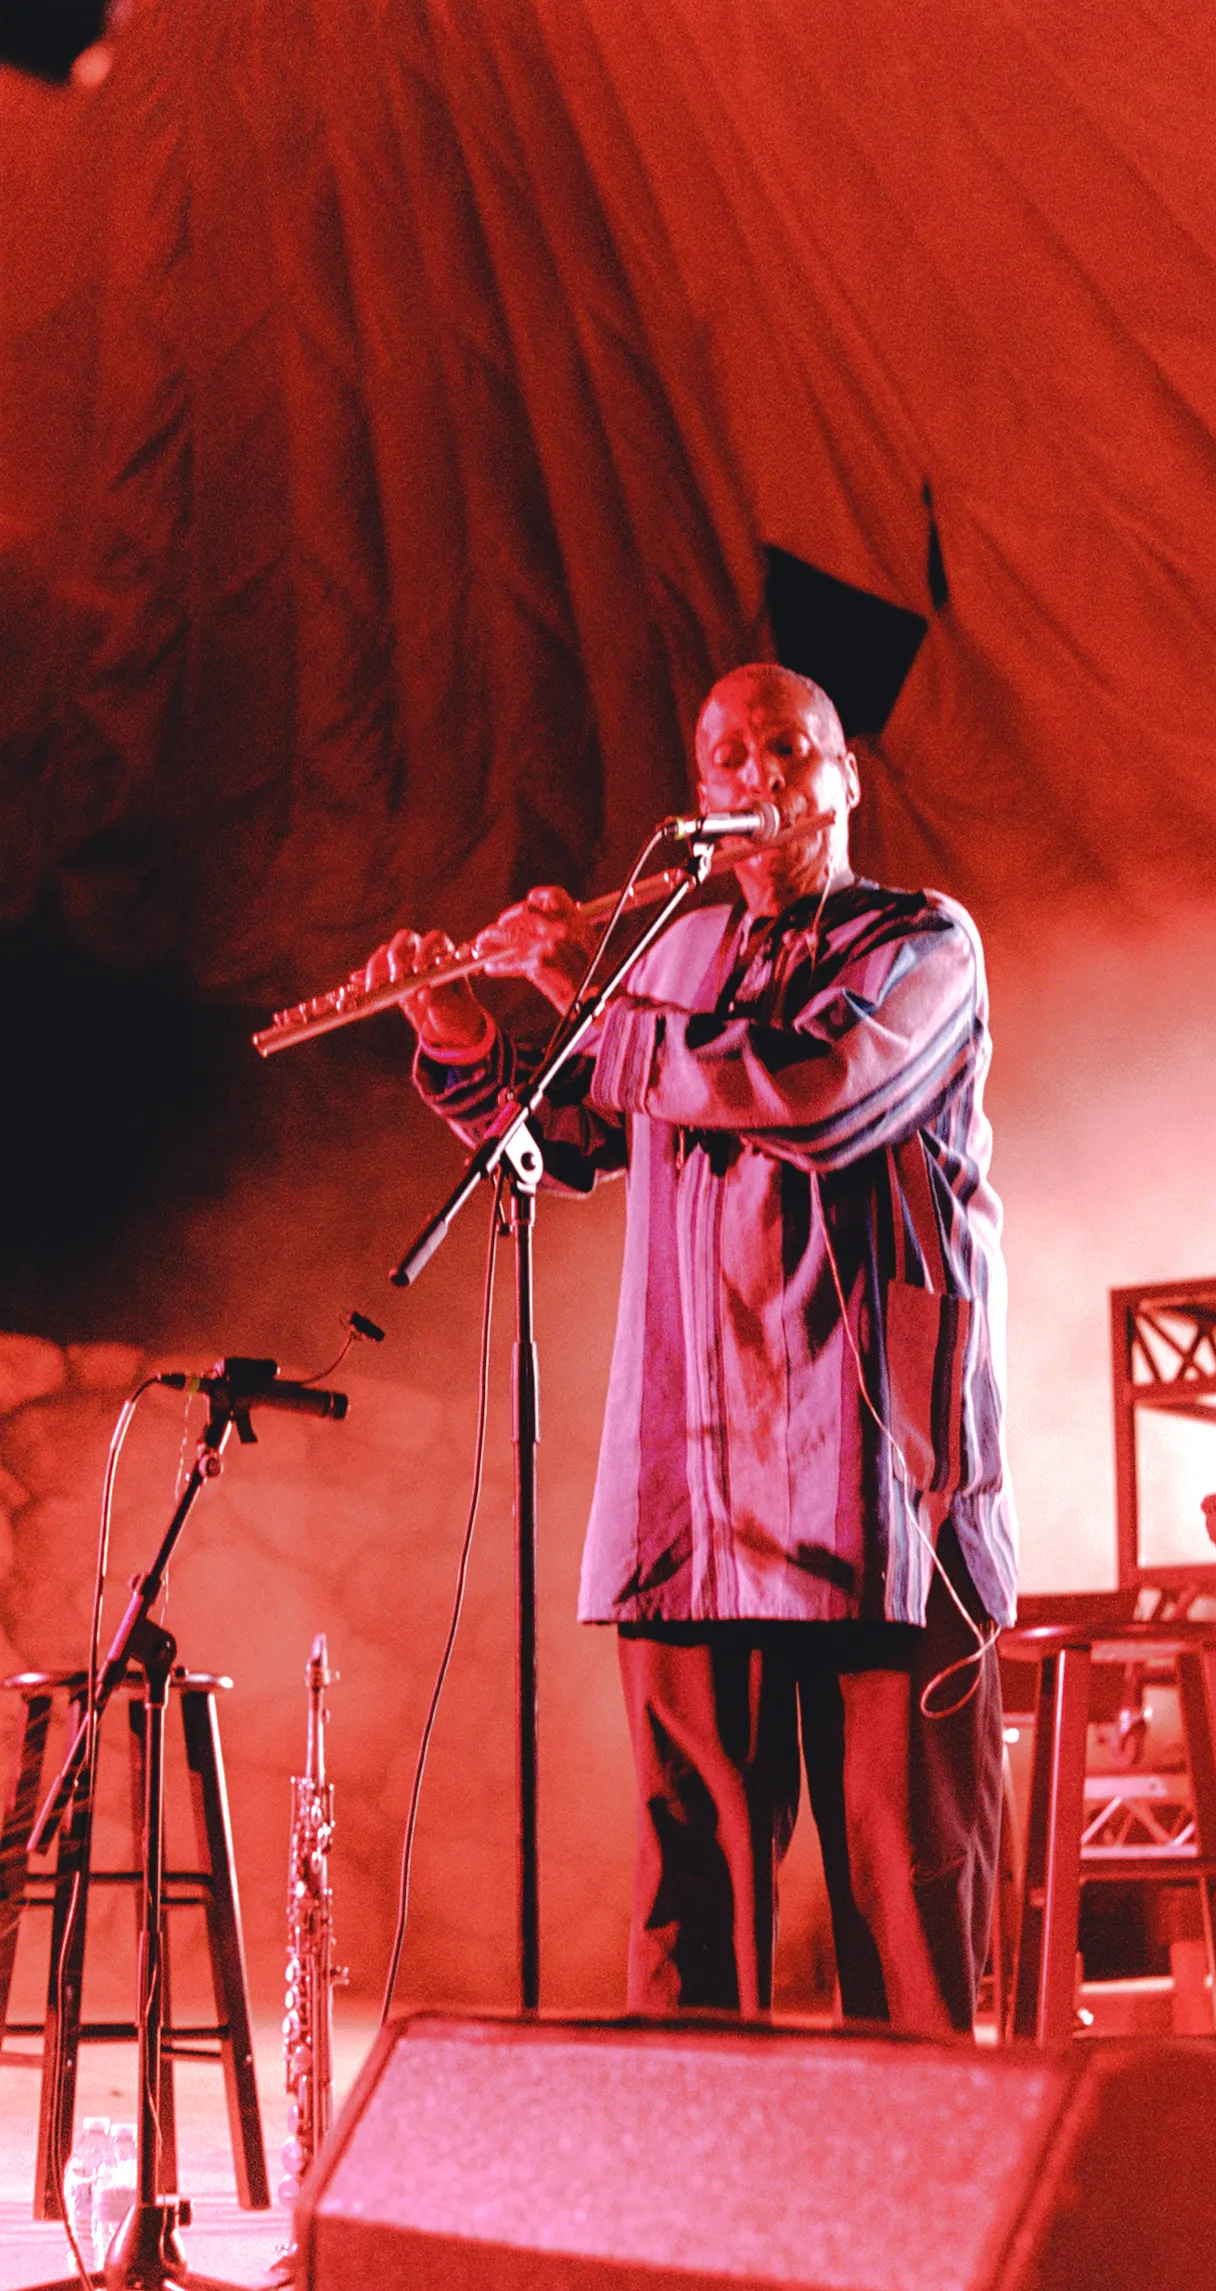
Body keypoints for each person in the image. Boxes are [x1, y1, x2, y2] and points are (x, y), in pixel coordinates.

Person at [362, 663, 1017, 2035]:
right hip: (693, 1502)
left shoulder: (921, 943)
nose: (756, 774)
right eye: (726, 755)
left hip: (877, 1501)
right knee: (689, 1911)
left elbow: (815, 1094)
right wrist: (470, 1042)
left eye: (789, 748)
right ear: (700, 790)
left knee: (905, 1903)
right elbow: (565, 1143)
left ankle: (933, 2169)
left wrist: (578, 990)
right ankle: (687, 2169)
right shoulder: (670, 956)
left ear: (842, 778)